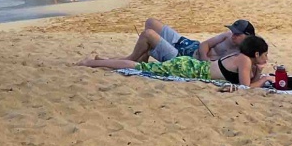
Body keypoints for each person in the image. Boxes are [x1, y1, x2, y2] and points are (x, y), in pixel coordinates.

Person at [78, 35, 273, 88]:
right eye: (264, 55)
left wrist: (259, 71)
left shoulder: (244, 59)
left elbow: (244, 80)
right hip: (189, 70)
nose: (266, 58)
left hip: (193, 67)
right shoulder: (244, 61)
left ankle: (99, 61)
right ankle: (91, 64)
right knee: (141, 67)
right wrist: (263, 80)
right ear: (256, 53)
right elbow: (246, 87)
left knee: (143, 67)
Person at [113, 18, 256, 64]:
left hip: (185, 58)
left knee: (148, 34)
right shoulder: (228, 36)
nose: (233, 35)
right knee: (151, 22)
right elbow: (205, 44)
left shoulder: (241, 55)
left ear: (247, 36)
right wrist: (205, 57)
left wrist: (203, 61)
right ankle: (141, 60)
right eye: (233, 32)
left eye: (237, 34)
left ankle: (129, 60)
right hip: (189, 45)